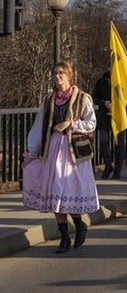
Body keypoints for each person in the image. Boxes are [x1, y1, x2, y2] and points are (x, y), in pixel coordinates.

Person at [22, 61, 99, 253]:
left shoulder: (82, 97)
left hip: (73, 151)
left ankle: (79, 224)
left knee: (68, 191)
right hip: (53, 148)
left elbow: (91, 122)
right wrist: (32, 150)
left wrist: (70, 124)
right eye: (55, 73)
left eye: (61, 73)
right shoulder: (49, 99)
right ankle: (64, 237)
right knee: (55, 191)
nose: (58, 76)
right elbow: (40, 125)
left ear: (69, 75)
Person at [93, 71, 125, 179]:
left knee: (118, 144)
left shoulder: (123, 80)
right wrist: (104, 103)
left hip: (119, 116)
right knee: (103, 141)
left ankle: (118, 169)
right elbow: (95, 97)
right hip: (104, 116)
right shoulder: (101, 82)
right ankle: (108, 165)